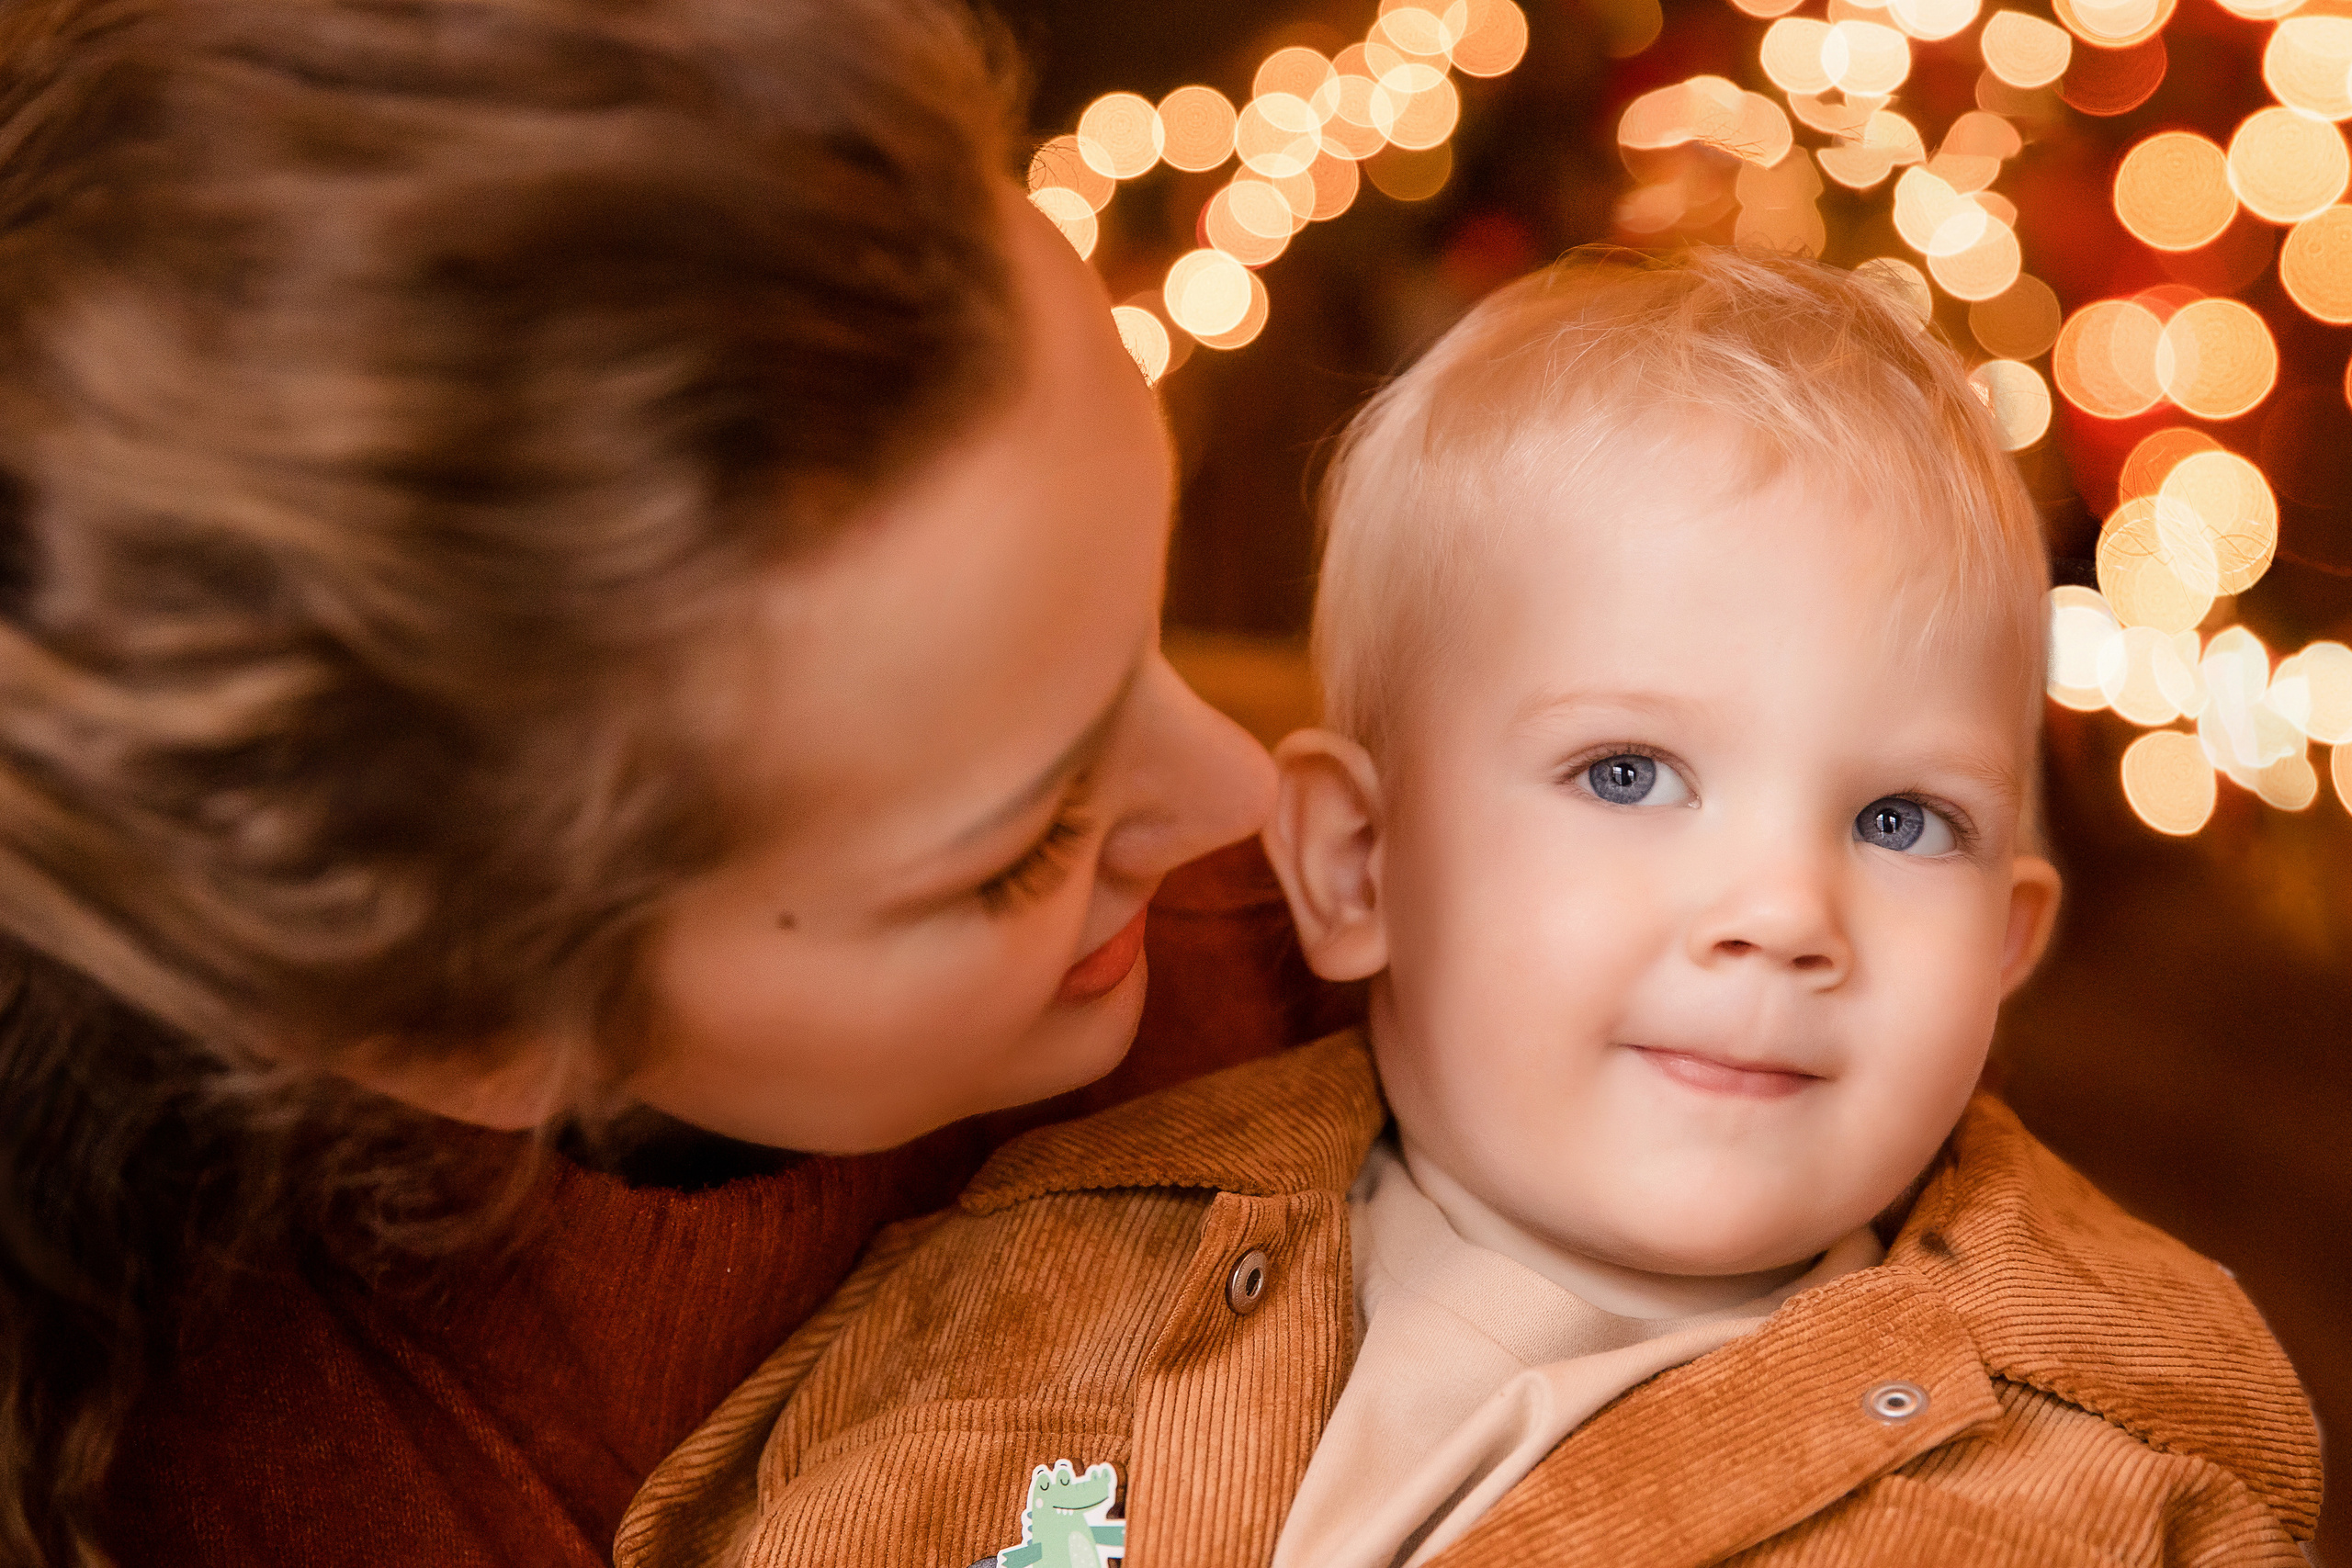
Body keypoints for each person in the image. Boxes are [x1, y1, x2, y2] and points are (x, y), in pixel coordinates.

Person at [615, 252, 2323, 1568]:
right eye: (1630, 774)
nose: (1785, 912)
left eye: (1900, 818)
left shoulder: (2121, 1476)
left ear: (2007, 953)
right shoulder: (1036, 1275)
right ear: (1358, 866)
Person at [0, 1, 1340, 1563]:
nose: (1246, 794)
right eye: (1028, 844)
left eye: (1150, 622)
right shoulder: (225, 1479)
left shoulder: (1345, 970)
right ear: (457, 1025)